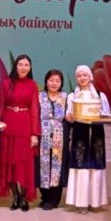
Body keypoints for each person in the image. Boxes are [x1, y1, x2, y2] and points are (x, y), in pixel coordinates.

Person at [0, 55, 40, 211]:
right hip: (7, 126)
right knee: (9, 162)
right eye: (20, 64)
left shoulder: (33, 85)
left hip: (25, 126)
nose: (23, 67)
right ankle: (15, 195)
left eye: (26, 65)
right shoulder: (6, 83)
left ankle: (24, 197)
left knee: (25, 163)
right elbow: (1, 106)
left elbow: (34, 109)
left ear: (30, 67)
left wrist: (34, 134)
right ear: (15, 66)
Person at [65, 65, 110, 213]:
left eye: (85, 75)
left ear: (91, 76)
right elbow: (69, 115)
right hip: (80, 133)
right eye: (79, 76)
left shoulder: (100, 95)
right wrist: (69, 117)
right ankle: (81, 202)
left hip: (96, 133)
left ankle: (94, 201)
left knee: (95, 166)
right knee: (81, 166)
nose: (82, 78)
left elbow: (106, 115)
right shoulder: (72, 96)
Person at [36, 69, 69, 210]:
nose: (54, 83)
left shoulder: (66, 97)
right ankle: (45, 197)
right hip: (42, 137)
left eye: (57, 81)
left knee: (57, 167)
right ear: (46, 81)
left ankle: (54, 200)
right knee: (43, 165)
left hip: (59, 137)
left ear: (61, 83)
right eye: (51, 80)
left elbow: (69, 117)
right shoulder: (39, 96)